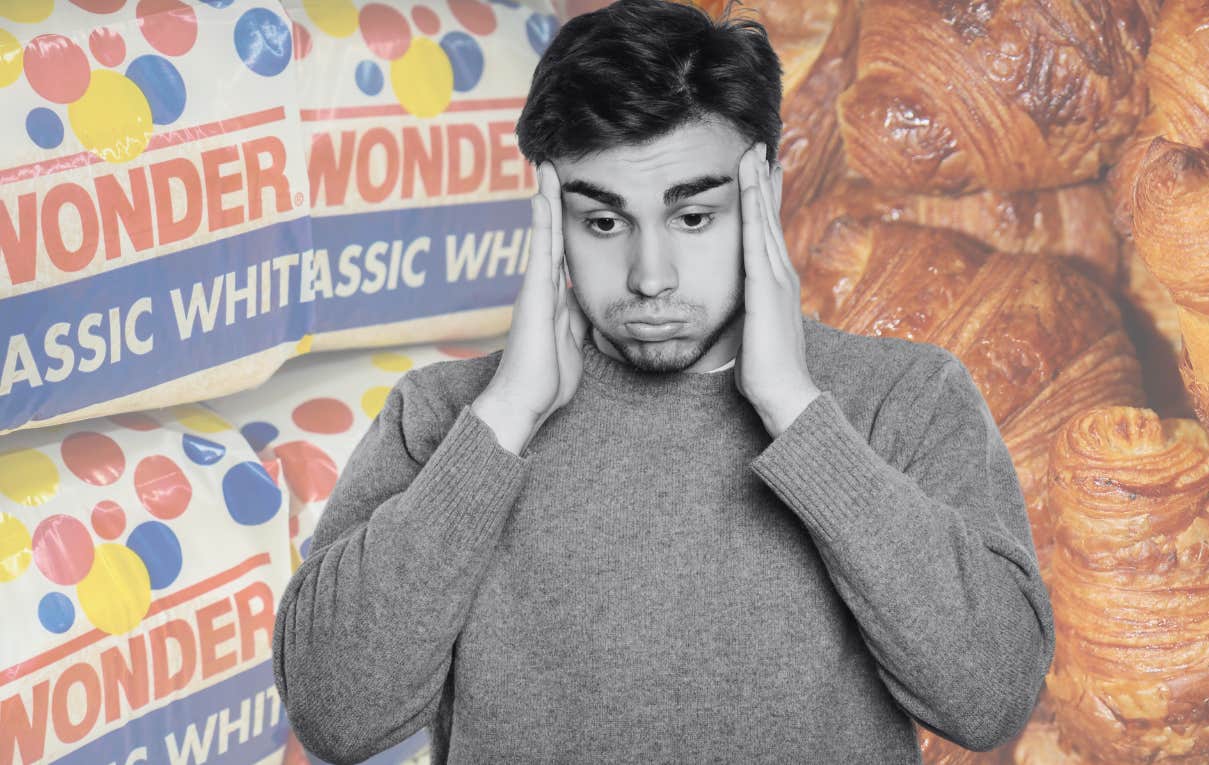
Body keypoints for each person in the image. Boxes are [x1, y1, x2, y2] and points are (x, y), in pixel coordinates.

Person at [271, 1, 1056, 762]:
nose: (651, 277)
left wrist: (795, 409)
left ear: (765, 197)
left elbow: (987, 698)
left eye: (693, 218)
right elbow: (337, 715)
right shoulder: (449, 416)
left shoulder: (906, 397)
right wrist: (505, 417)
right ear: (550, 214)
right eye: (604, 222)